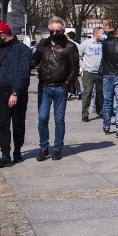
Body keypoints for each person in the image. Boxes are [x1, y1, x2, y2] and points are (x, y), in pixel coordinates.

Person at [31, 16, 80, 161]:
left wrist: (66, 85)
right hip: (45, 86)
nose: (54, 33)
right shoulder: (43, 44)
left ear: (63, 31)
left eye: (57, 31)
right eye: (51, 30)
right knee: (42, 118)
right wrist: (24, 66)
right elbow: (35, 59)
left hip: (60, 87)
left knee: (59, 120)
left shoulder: (70, 46)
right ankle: (43, 147)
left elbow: (74, 69)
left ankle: (58, 148)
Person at [0, 22, 32, 168]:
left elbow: (23, 74)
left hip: (16, 92)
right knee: (2, 125)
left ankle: (17, 151)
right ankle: (5, 155)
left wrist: (15, 92)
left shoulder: (23, 50)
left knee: (18, 124)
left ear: (3, 34)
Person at [79, 26, 105, 122]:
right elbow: (78, 55)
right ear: (96, 33)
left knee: (100, 93)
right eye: (102, 33)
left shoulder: (103, 44)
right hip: (88, 72)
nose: (103, 35)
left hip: (100, 72)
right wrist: (83, 67)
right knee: (87, 93)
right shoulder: (86, 43)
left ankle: (100, 110)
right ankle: (85, 114)